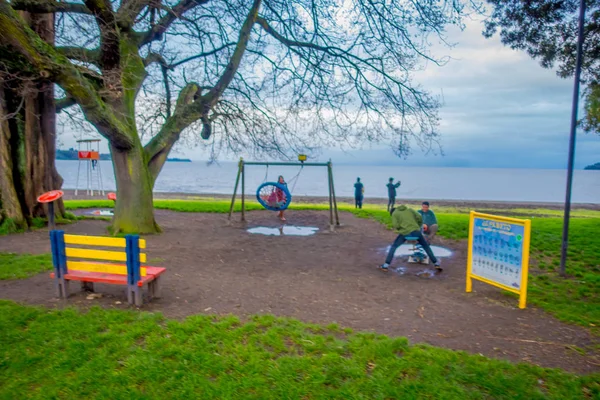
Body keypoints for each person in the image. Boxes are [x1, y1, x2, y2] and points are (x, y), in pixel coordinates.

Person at [379, 204, 441, 271]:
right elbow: (419, 217)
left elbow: (395, 225)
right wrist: (419, 226)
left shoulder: (395, 213)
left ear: (392, 212)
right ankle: (436, 263)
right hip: (416, 232)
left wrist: (401, 229)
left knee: (394, 247)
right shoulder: (410, 210)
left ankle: (385, 265)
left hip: (405, 233)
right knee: (426, 246)